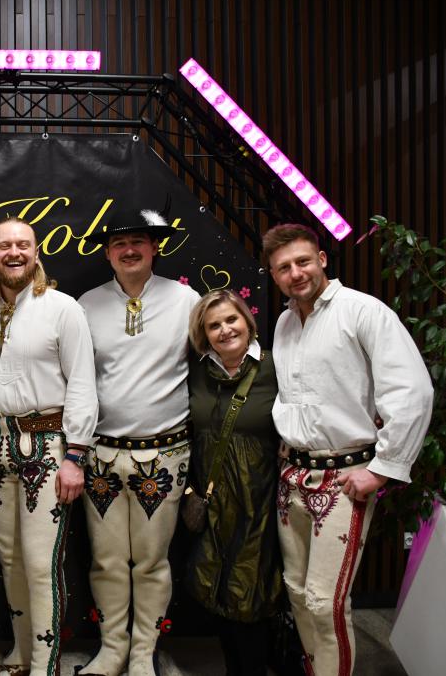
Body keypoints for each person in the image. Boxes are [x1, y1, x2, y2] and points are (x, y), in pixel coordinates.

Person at [263, 223, 433, 676]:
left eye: (303, 261)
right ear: (274, 275)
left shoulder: (362, 311)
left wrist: (381, 470)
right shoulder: (284, 323)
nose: (295, 273)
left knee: (325, 601)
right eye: (284, 267)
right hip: (291, 476)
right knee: (297, 593)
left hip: (343, 477)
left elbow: (412, 391)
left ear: (321, 259)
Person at [0, 216, 98, 676]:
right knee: (10, 560)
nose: (14, 253)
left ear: (36, 252)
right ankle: (22, 653)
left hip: (47, 445)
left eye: (23, 244)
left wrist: (76, 454)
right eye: (4, 246)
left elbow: (82, 383)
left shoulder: (63, 309)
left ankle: (46, 664)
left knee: (41, 563)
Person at [75, 207, 200, 676]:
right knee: (107, 560)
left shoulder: (186, 300)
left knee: (151, 561)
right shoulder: (86, 304)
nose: (129, 250)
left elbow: (223, 349)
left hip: (165, 454)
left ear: (154, 248)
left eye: (138, 242)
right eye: (119, 244)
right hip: (103, 454)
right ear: (107, 254)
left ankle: (144, 652)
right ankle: (113, 650)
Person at [185, 289, 283, 676]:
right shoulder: (198, 373)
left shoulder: (275, 368)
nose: (225, 330)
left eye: (231, 320)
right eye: (214, 325)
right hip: (212, 496)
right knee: (216, 582)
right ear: (204, 334)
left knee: (251, 587)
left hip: (259, 496)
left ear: (247, 321)